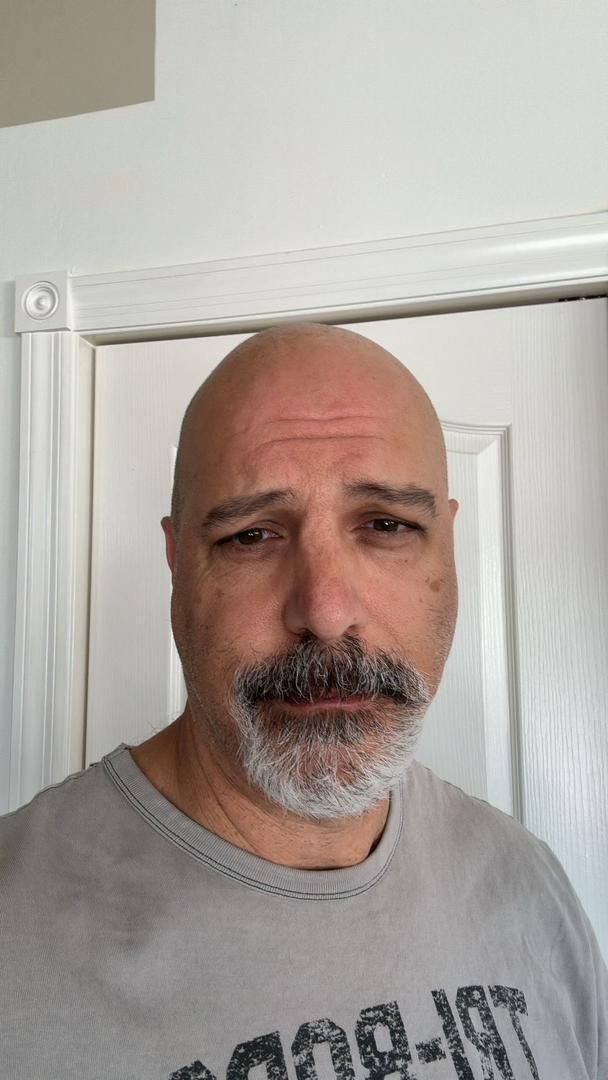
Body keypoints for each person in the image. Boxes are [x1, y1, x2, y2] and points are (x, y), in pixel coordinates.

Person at [1, 323, 606, 1080]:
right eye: (251, 536)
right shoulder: (18, 930)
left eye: (386, 526)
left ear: (448, 546)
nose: (324, 611)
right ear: (176, 560)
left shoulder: (527, 881)